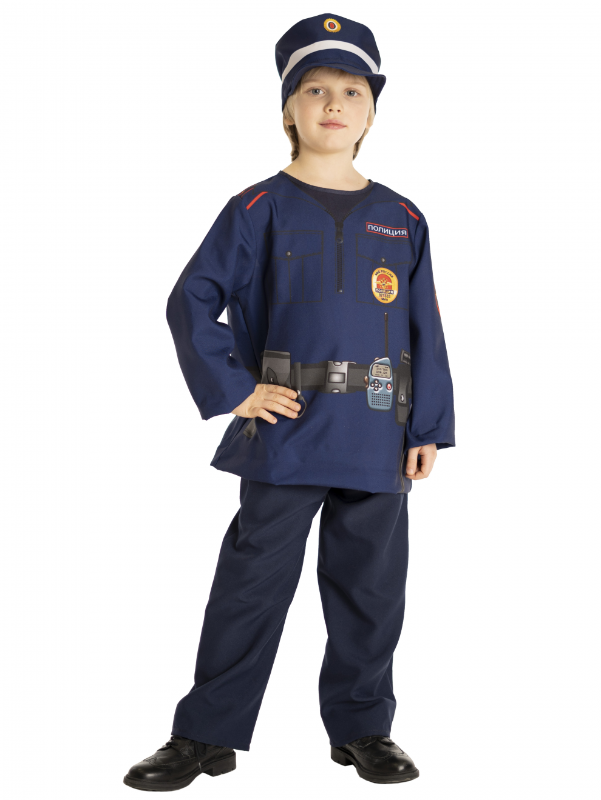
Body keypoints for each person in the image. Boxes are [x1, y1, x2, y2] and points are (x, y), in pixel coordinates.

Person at [124, 12, 455, 791]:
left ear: (370, 114)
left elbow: (424, 326)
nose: (333, 103)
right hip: (287, 431)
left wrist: (429, 426)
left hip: (376, 431)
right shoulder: (256, 209)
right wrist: (237, 390)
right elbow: (190, 300)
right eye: (315, 89)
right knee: (249, 584)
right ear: (288, 110)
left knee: (369, 588)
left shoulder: (402, 218)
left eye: (351, 91)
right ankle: (204, 734)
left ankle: (364, 728)